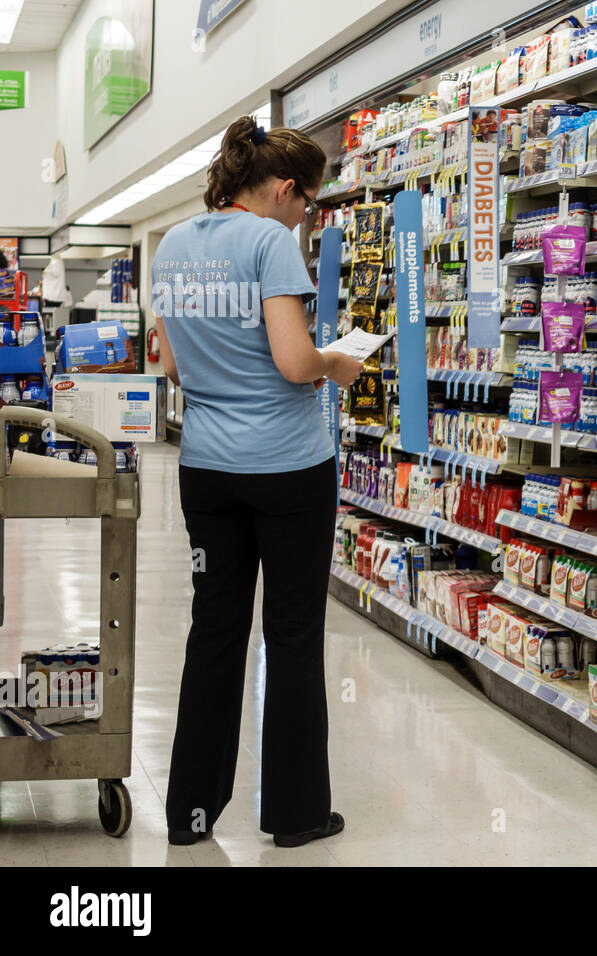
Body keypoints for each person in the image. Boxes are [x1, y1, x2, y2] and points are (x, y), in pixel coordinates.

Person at [151, 116, 362, 848]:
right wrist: (339, 362)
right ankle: (297, 815)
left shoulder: (172, 245)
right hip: (287, 469)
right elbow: (294, 363)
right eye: (307, 200)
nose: (307, 214)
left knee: (214, 632)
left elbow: (172, 367)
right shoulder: (273, 243)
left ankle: (190, 812)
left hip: (207, 469)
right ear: (281, 188)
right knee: (293, 635)